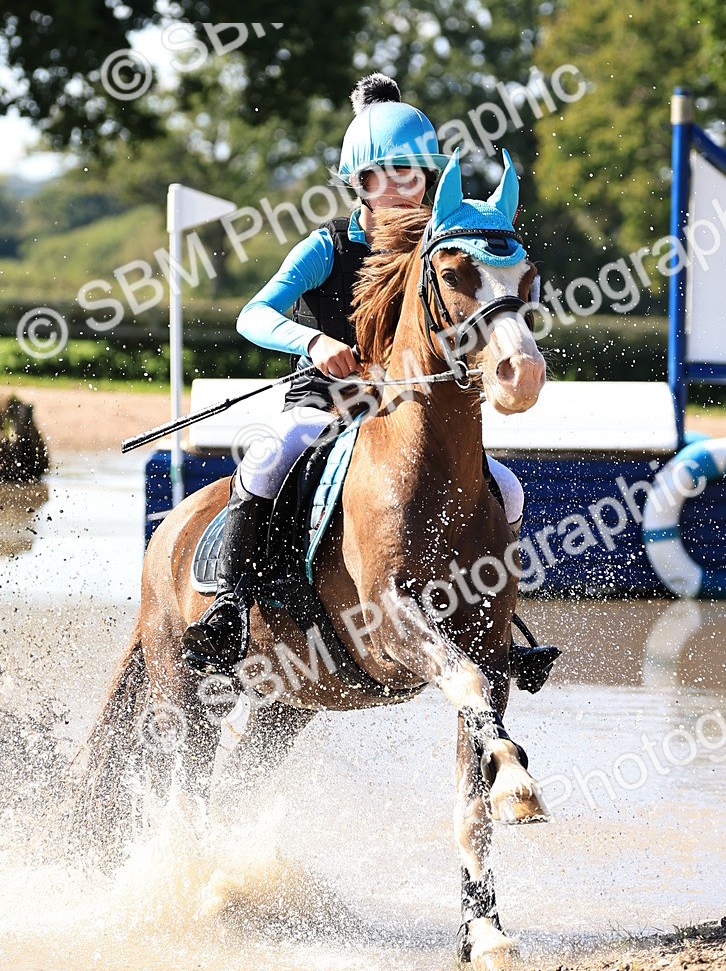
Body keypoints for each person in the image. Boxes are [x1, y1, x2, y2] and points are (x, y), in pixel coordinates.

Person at [181, 74, 527, 675]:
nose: (396, 189)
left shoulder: (445, 247)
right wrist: (312, 340)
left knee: (510, 489)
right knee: (271, 457)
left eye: (409, 175)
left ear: (429, 180)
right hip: (326, 404)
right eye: (380, 177)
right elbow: (252, 315)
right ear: (358, 184)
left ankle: (500, 627)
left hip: (398, 414)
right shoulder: (328, 246)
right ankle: (230, 607)